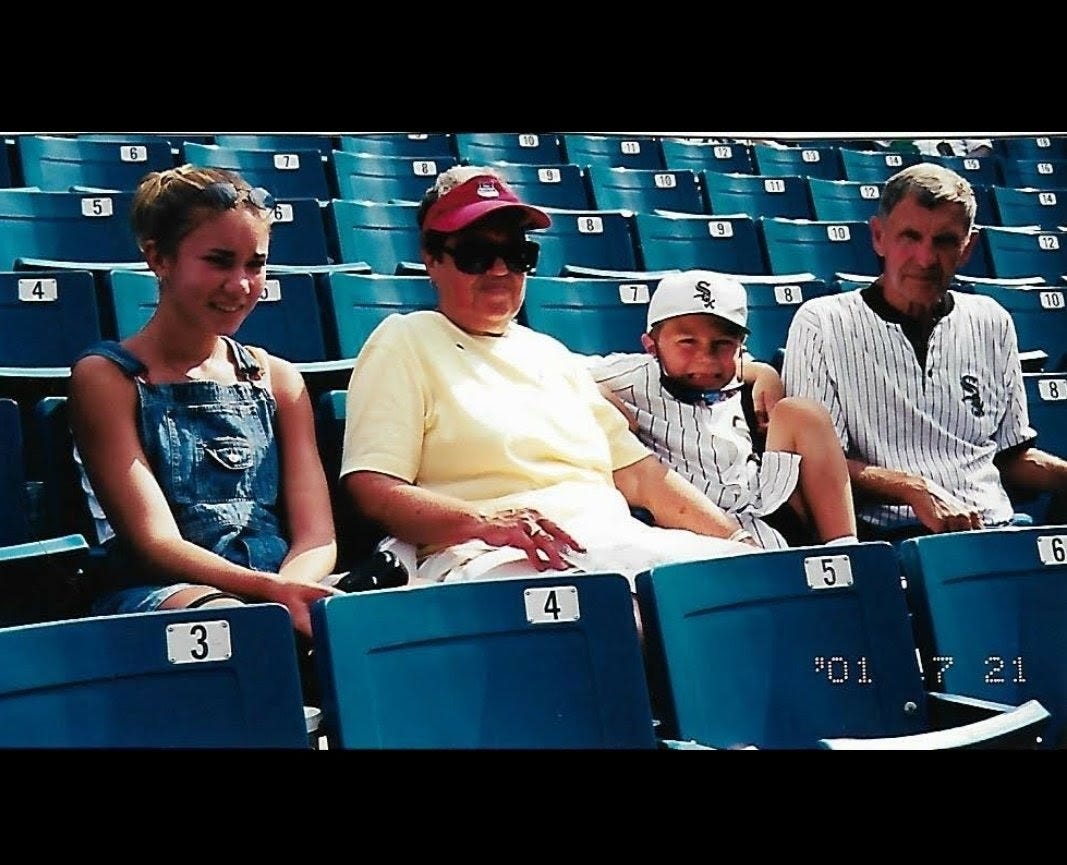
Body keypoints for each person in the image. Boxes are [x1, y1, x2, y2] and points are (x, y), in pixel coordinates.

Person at [339, 165, 760, 596]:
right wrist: (485, 523)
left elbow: (644, 480)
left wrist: (738, 542)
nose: (501, 270)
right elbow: (372, 487)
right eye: (476, 254)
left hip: (612, 543)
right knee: (616, 617)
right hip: (487, 555)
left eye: (518, 254)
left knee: (764, 590)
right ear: (432, 258)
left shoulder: (553, 354)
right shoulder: (405, 339)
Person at [68, 164, 347, 640]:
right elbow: (154, 542)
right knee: (235, 628)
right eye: (219, 261)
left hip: (278, 586)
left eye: (254, 264)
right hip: (166, 591)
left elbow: (317, 535)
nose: (240, 284)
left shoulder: (278, 378)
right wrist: (270, 595)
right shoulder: (106, 377)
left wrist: (291, 591)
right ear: (159, 259)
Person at [781, 161, 1067, 541]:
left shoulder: (992, 320)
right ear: (879, 237)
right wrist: (913, 488)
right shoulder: (822, 322)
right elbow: (816, 465)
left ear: (968, 247)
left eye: (945, 241)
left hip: (998, 527)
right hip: (896, 535)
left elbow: (1010, 455)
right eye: (909, 237)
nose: (926, 258)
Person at [585, 270, 858, 550]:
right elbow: (555, 368)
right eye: (687, 343)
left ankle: (846, 550)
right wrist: (605, 399)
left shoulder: (741, 373)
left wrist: (764, 371)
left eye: (722, 344)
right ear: (651, 346)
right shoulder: (630, 375)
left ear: (740, 346)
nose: (706, 358)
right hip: (695, 521)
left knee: (801, 412)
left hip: (762, 505)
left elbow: (744, 366)